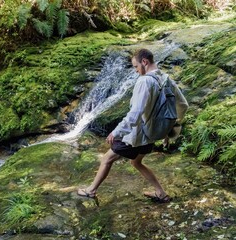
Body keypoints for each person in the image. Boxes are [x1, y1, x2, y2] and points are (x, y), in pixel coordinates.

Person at [77, 48, 189, 203]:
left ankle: (91, 190)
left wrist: (116, 132)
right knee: (136, 162)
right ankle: (160, 193)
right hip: (152, 134)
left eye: (136, 67)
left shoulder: (145, 81)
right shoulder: (165, 78)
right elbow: (183, 105)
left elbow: (136, 112)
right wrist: (169, 128)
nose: (136, 71)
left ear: (144, 62)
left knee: (107, 159)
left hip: (137, 134)